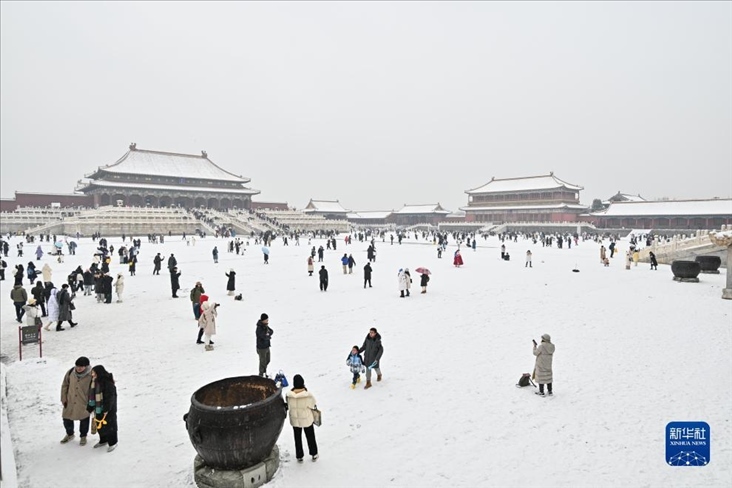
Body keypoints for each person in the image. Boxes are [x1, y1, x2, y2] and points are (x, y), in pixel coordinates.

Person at [60, 356, 93, 446]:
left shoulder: (91, 375)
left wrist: (91, 402)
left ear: (86, 366)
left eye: (81, 366)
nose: (78, 368)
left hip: (83, 402)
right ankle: (70, 434)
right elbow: (65, 385)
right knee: (66, 418)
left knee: (84, 419)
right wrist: (63, 398)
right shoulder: (71, 372)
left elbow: (94, 388)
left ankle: (83, 436)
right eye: (77, 366)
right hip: (70, 400)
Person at [286, 374, 319, 462]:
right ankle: (314, 453)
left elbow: (288, 406)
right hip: (306, 419)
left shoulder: (289, 395)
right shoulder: (307, 395)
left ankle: (299, 456)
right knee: (310, 437)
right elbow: (313, 405)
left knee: (297, 438)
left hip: (295, 420)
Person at [87, 365, 118, 452]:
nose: (92, 374)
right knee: (100, 426)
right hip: (98, 408)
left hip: (108, 409)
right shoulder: (94, 381)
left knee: (110, 426)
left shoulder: (107, 383)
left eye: (94, 373)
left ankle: (113, 442)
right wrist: (90, 407)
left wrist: (106, 409)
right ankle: (103, 440)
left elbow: (110, 397)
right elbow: (91, 395)